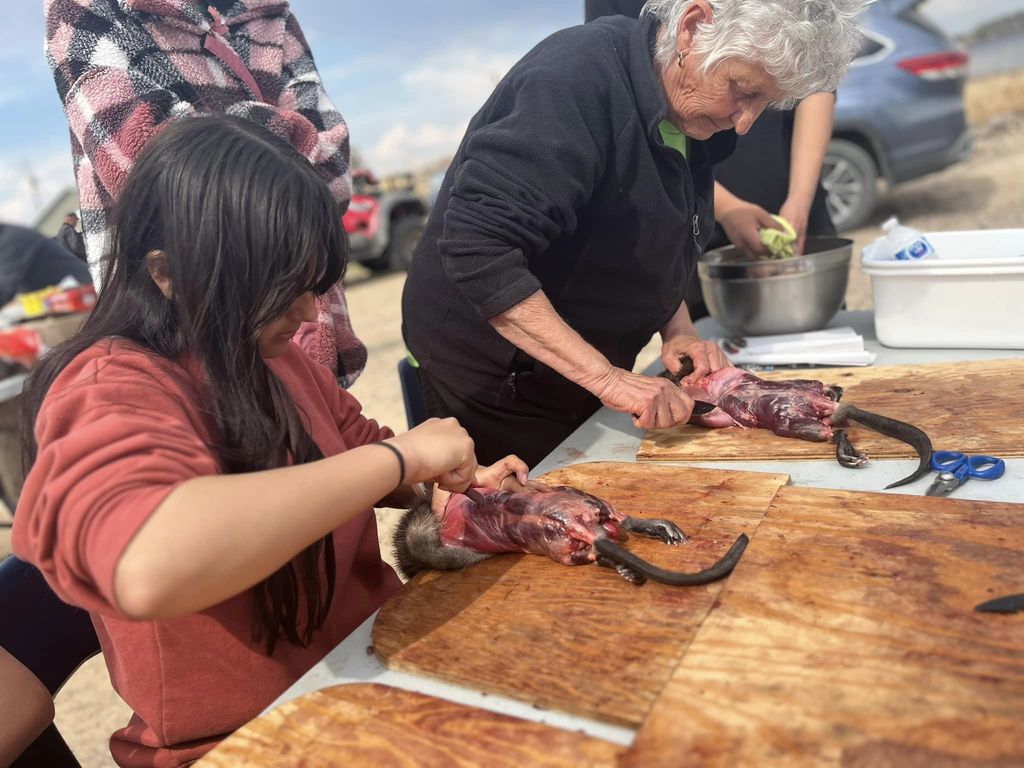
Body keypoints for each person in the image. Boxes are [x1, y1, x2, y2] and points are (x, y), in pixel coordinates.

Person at [11, 115, 533, 767]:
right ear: (168, 274)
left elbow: (360, 455)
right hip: (252, 741)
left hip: (370, 675)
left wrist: (447, 479)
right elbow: (145, 563)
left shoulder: (276, 357)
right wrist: (399, 457)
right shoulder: (106, 387)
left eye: (315, 287)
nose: (312, 313)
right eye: (282, 289)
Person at [402, 0, 868, 468]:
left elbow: (652, 235)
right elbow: (477, 250)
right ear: (692, 28)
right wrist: (607, 379)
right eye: (742, 90)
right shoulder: (572, 80)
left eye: (763, 103)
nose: (745, 121)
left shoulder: (690, 107)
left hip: (573, 365)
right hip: (496, 379)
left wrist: (679, 328)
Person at [44, 0, 367, 387]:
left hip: (300, 351)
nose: (309, 310)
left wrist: (209, 133)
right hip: (192, 347)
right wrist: (284, 142)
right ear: (164, 272)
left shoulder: (270, 13)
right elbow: (146, 164)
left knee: (321, 430)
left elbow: (331, 167)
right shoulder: (87, 8)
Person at [584, 1, 839, 320]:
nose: (744, 126)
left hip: (797, 210)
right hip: (695, 221)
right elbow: (629, 95)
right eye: (743, 90)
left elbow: (818, 81)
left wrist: (800, 200)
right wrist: (727, 208)